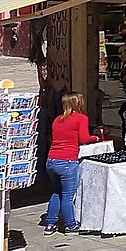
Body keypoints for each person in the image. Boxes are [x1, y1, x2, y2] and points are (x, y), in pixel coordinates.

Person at [44, 97, 96, 234]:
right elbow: (84, 139)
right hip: (67, 161)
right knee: (68, 195)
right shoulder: (81, 118)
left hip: (51, 160)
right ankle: (70, 225)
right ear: (78, 103)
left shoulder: (57, 120)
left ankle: (50, 223)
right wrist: (95, 137)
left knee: (57, 193)